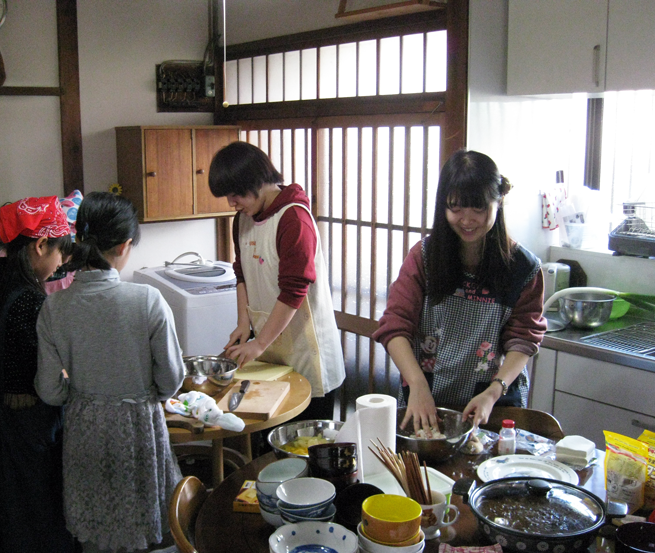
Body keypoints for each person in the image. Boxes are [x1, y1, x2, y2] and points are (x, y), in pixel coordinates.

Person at [35, 192, 185, 553]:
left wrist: (82, 394)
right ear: (124, 246)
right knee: (170, 510)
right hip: (139, 425)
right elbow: (171, 379)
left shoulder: (54, 307)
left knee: (94, 524)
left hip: (85, 426)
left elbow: (48, 390)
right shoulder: (147, 300)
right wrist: (145, 392)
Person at [372, 149, 546, 431]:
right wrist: (417, 384)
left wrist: (494, 391)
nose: (467, 219)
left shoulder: (523, 268)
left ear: (498, 202)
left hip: (493, 401)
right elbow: (395, 326)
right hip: (427, 394)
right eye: (456, 208)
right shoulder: (424, 257)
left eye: (479, 208)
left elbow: (524, 338)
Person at [0, 195, 75, 553]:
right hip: (25, 426)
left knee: (8, 519)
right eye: (59, 253)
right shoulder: (30, 301)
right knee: (36, 518)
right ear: (40, 245)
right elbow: (49, 375)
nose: (60, 264)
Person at [208, 141, 345, 422]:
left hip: (307, 352)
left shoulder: (293, 218)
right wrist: (244, 324)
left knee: (305, 439)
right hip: (272, 350)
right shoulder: (242, 219)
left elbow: (294, 290)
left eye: (236, 195)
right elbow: (242, 274)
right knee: (268, 429)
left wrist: (259, 344)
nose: (232, 203)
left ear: (256, 182)